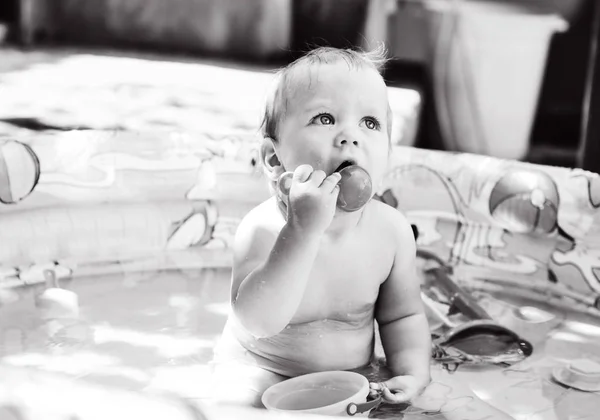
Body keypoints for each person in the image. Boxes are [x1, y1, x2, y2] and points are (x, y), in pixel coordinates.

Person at [209, 46, 515, 420]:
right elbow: (258, 322)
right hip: (261, 373)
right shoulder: (262, 229)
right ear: (275, 159)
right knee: (232, 407)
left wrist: (411, 374)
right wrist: (302, 231)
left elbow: (402, 317)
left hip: (357, 379)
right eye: (324, 118)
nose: (350, 136)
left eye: (370, 123)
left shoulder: (390, 232)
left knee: (452, 408)